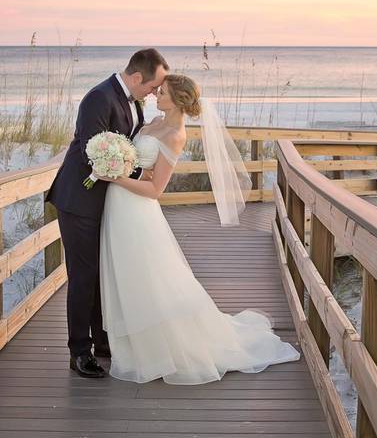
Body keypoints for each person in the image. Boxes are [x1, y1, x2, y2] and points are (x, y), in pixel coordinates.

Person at [96, 73, 301, 384]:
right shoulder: (152, 122)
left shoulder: (175, 135)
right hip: (119, 204)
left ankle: (158, 347)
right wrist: (116, 163)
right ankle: (131, 342)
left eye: (162, 92)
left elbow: (156, 189)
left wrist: (114, 177)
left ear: (178, 100)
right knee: (127, 272)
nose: (155, 95)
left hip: (137, 208)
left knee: (151, 275)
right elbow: (141, 167)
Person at [45, 48, 168, 378]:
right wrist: (138, 176)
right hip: (79, 199)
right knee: (83, 276)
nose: (154, 93)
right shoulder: (99, 98)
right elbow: (92, 153)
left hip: (106, 201)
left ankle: (102, 341)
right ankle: (79, 351)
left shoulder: (132, 100)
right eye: (153, 87)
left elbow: (124, 145)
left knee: (102, 274)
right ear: (137, 77)